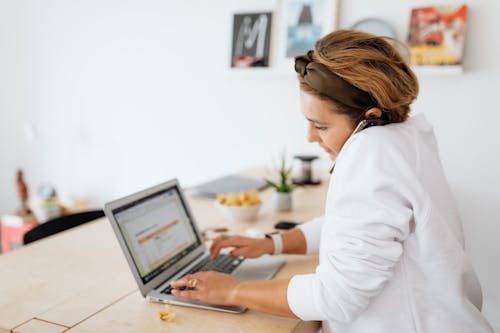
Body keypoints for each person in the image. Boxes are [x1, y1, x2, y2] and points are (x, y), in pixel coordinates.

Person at [171, 30, 493, 332]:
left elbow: (336, 296)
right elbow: (351, 225)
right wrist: (273, 243)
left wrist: (233, 290)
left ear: (370, 117)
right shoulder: (402, 138)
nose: (310, 137)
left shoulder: (371, 154)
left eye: (320, 126)